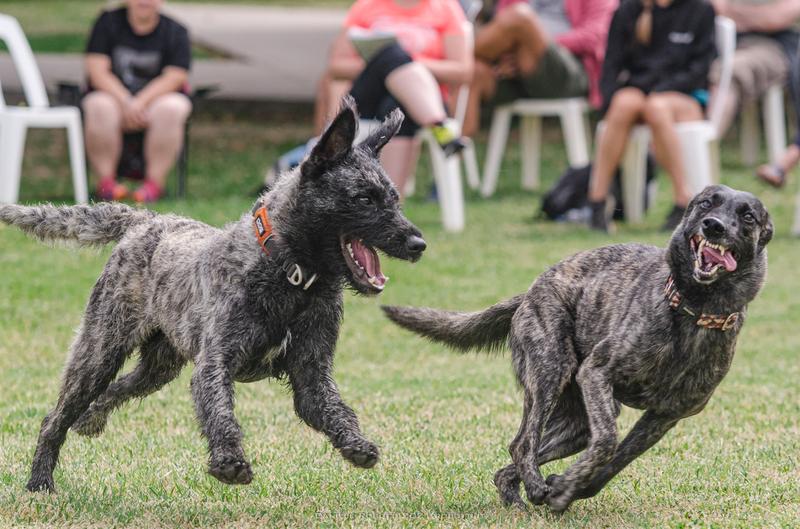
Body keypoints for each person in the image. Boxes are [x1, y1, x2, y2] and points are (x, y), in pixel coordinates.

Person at [314, 0, 474, 193]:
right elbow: (336, 67)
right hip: (369, 97)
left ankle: (390, 203)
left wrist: (410, 63)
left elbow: (462, 72)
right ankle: (440, 126)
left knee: (397, 106)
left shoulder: (445, 8)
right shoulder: (366, 6)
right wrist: (387, 63)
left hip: (423, 99)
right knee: (390, 54)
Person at [587, 0, 717, 233]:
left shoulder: (701, 10)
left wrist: (659, 90)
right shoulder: (628, 9)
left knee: (656, 108)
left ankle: (683, 198)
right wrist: (608, 101)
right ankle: (598, 201)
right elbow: (611, 63)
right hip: (641, 91)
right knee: (622, 104)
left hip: (685, 94)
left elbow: (699, 70)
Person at [83, 0, 192, 203]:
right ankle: (106, 185)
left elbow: (176, 76)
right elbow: (97, 70)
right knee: (99, 105)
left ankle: (154, 185)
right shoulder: (107, 22)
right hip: (114, 98)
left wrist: (139, 103)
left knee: (173, 107)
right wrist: (126, 101)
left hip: (155, 102)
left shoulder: (176, 31)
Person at [462, 0, 617, 137]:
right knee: (474, 71)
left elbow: (595, 37)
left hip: (570, 70)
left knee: (520, 17)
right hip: (516, 71)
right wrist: (503, 58)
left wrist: (534, 41)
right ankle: (454, 151)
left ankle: (456, 58)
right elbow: (500, 30)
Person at [707, 0, 800, 188]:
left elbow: (774, 19)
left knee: (729, 71)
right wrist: (755, 17)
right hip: (718, 43)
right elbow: (713, 7)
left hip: (775, 47)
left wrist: (734, 13)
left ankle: (702, 149)